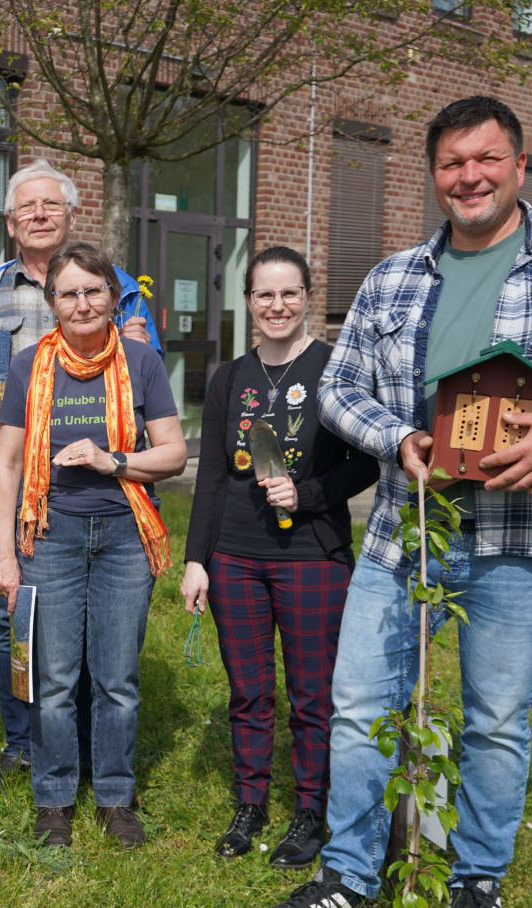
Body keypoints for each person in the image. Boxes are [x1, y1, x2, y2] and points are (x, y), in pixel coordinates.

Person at [263, 96, 532, 908]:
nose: (470, 176)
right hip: (403, 532)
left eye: (486, 159)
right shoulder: (392, 277)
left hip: (522, 544)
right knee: (360, 706)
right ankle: (350, 869)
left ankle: (476, 877)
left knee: (494, 717)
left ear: (520, 166)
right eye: (452, 163)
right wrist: (397, 437)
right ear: (434, 176)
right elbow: (340, 390)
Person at [0, 158, 161, 789]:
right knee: (11, 616)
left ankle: (91, 748)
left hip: (99, 492)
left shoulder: (116, 287)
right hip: (8, 476)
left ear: (73, 215)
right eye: (25, 208)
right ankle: (26, 743)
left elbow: (145, 383)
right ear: (11, 222)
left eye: (50, 205)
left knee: (94, 628)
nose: (38, 215)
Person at [179, 246, 378, 868]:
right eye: (265, 294)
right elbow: (210, 474)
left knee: (313, 694)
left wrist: (309, 492)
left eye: (289, 293)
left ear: (309, 297)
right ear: (248, 301)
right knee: (249, 691)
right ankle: (251, 803)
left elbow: (365, 462)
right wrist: (196, 559)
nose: (277, 305)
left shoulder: (335, 370)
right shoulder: (228, 378)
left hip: (311, 557)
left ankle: (311, 811)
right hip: (236, 557)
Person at [0, 240, 188, 848]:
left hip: (126, 536)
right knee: (52, 678)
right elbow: (8, 465)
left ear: (113, 296)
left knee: (116, 677)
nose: (81, 303)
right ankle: (54, 801)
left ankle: (115, 797)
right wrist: (3, 553)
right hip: (50, 536)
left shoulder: (142, 363)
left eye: (93, 290)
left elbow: (175, 454)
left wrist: (114, 461)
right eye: (69, 293)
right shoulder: (29, 367)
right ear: (52, 303)